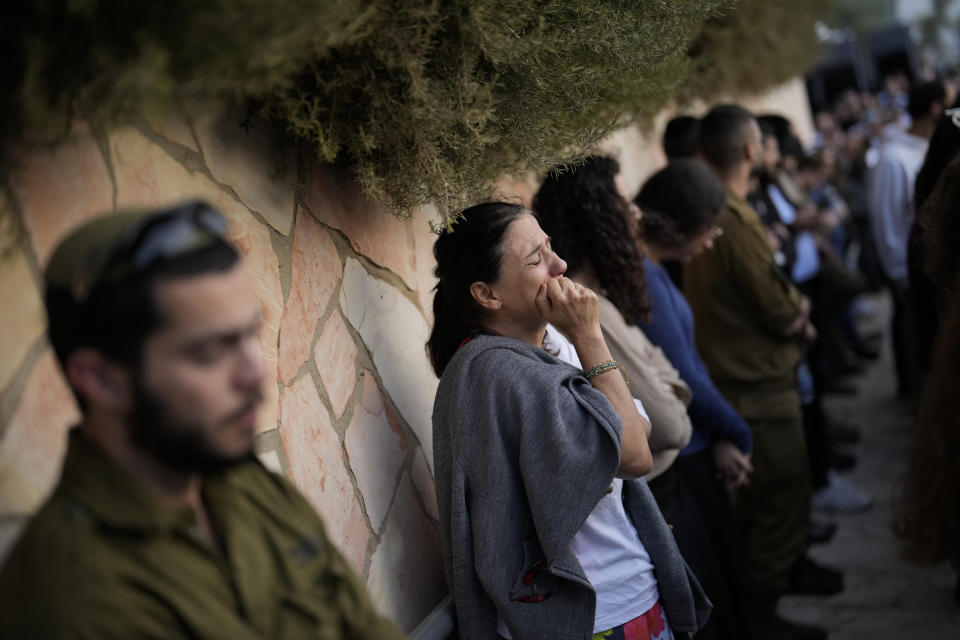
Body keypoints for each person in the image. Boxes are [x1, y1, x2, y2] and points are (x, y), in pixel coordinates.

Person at [0, 202, 406, 639]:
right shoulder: (73, 598)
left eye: (251, 333)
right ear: (100, 380)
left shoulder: (246, 486)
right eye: (212, 350)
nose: (255, 372)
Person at [428, 202, 710, 640]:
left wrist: (579, 340)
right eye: (536, 259)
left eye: (550, 247)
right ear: (487, 294)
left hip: (624, 596)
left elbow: (640, 428)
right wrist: (591, 336)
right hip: (592, 614)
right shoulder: (500, 374)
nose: (559, 266)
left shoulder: (552, 341)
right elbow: (635, 455)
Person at [534, 156, 738, 640]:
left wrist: (670, 397)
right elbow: (666, 424)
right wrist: (671, 400)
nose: (637, 215)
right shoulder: (584, 313)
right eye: (624, 203)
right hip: (660, 499)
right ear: (598, 212)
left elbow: (670, 377)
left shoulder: (604, 296)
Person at [685, 104, 832, 640]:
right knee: (778, 506)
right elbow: (773, 303)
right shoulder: (735, 218)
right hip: (756, 387)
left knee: (762, 509)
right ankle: (762, 624)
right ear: (750, 150)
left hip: (738, 381)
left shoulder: (714, 210)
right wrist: (800, 314)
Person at [869, 80, 946, 399]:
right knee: (915, 342)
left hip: (927, 273)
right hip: (911, 275)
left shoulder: (923, 148)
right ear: (935, 108)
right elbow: (887, 223)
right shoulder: (893, 158)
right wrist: (901, 275)